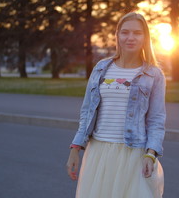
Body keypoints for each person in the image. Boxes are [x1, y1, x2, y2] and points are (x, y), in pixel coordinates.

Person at [66, 12, 166, 198]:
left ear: (145, 37)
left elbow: (156, 119)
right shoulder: (101, 68)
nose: (130, 37)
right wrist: (75, 148)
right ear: (117, 35)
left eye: (137, 33)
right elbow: (87, 111)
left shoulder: (154, 74)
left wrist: (151, 154)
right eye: (125, 32)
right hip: (99, 152)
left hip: (134, 154)